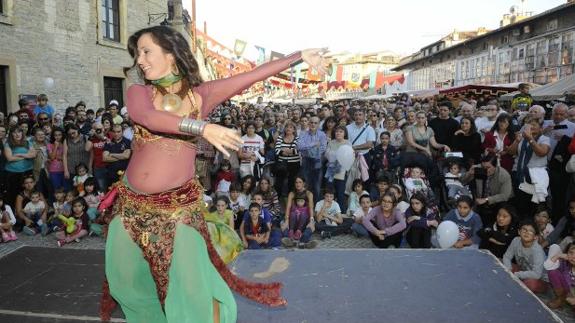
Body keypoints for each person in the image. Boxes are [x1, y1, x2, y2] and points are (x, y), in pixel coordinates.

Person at [100, 25, 328, 322]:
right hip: (131, 207)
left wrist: (298, 57)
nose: (139, 60)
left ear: (171, 54)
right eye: (137, 53)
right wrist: (203, 128)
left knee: (192, 288)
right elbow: (149, 118)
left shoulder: (200, 96)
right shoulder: (137, 92)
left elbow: (250, 76)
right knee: (125, 282)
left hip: (178, 211)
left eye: (146, 51)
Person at [502, 220, 546, 294]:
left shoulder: (537, 250)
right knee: (501, 263)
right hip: (523, 271)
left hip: (540, 279)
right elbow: (507, 257)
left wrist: (517, 275)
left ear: (535, 237)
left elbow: (537, 274)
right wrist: (508, 270)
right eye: (524, 229)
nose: (526, 232)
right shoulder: (516, 240)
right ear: (519, 232)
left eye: (531, 231)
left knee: (531, 283)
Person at [205, 196, 243, 264]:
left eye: (222, 206)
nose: (220, 208)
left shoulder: (229, 213)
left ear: (226, 205)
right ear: (215, 206)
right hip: (217, 238)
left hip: (228, 236)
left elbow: (231, 229)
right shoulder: (212, 215)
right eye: (218, 205)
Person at [298, 116, 327, 201]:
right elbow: (299, 147)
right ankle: (306, 204)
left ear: (318, 124)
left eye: (315, 123)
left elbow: (323, 148)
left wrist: (309, 149)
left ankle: (316, 206)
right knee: (306, 183)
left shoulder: (322, 134)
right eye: (311, 122)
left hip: (317, 160)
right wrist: (313, 144)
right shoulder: (303, 134)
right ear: (308, 123)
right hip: (306, 160)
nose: (313, 124)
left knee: (317, 185)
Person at [544, 242, 575, 309]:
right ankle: (561, 299)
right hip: (567, 292)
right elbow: (547, 267)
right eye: (571, 253)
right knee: (553, 272)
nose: (573, 256)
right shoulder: (564, 263)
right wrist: (558, 256)